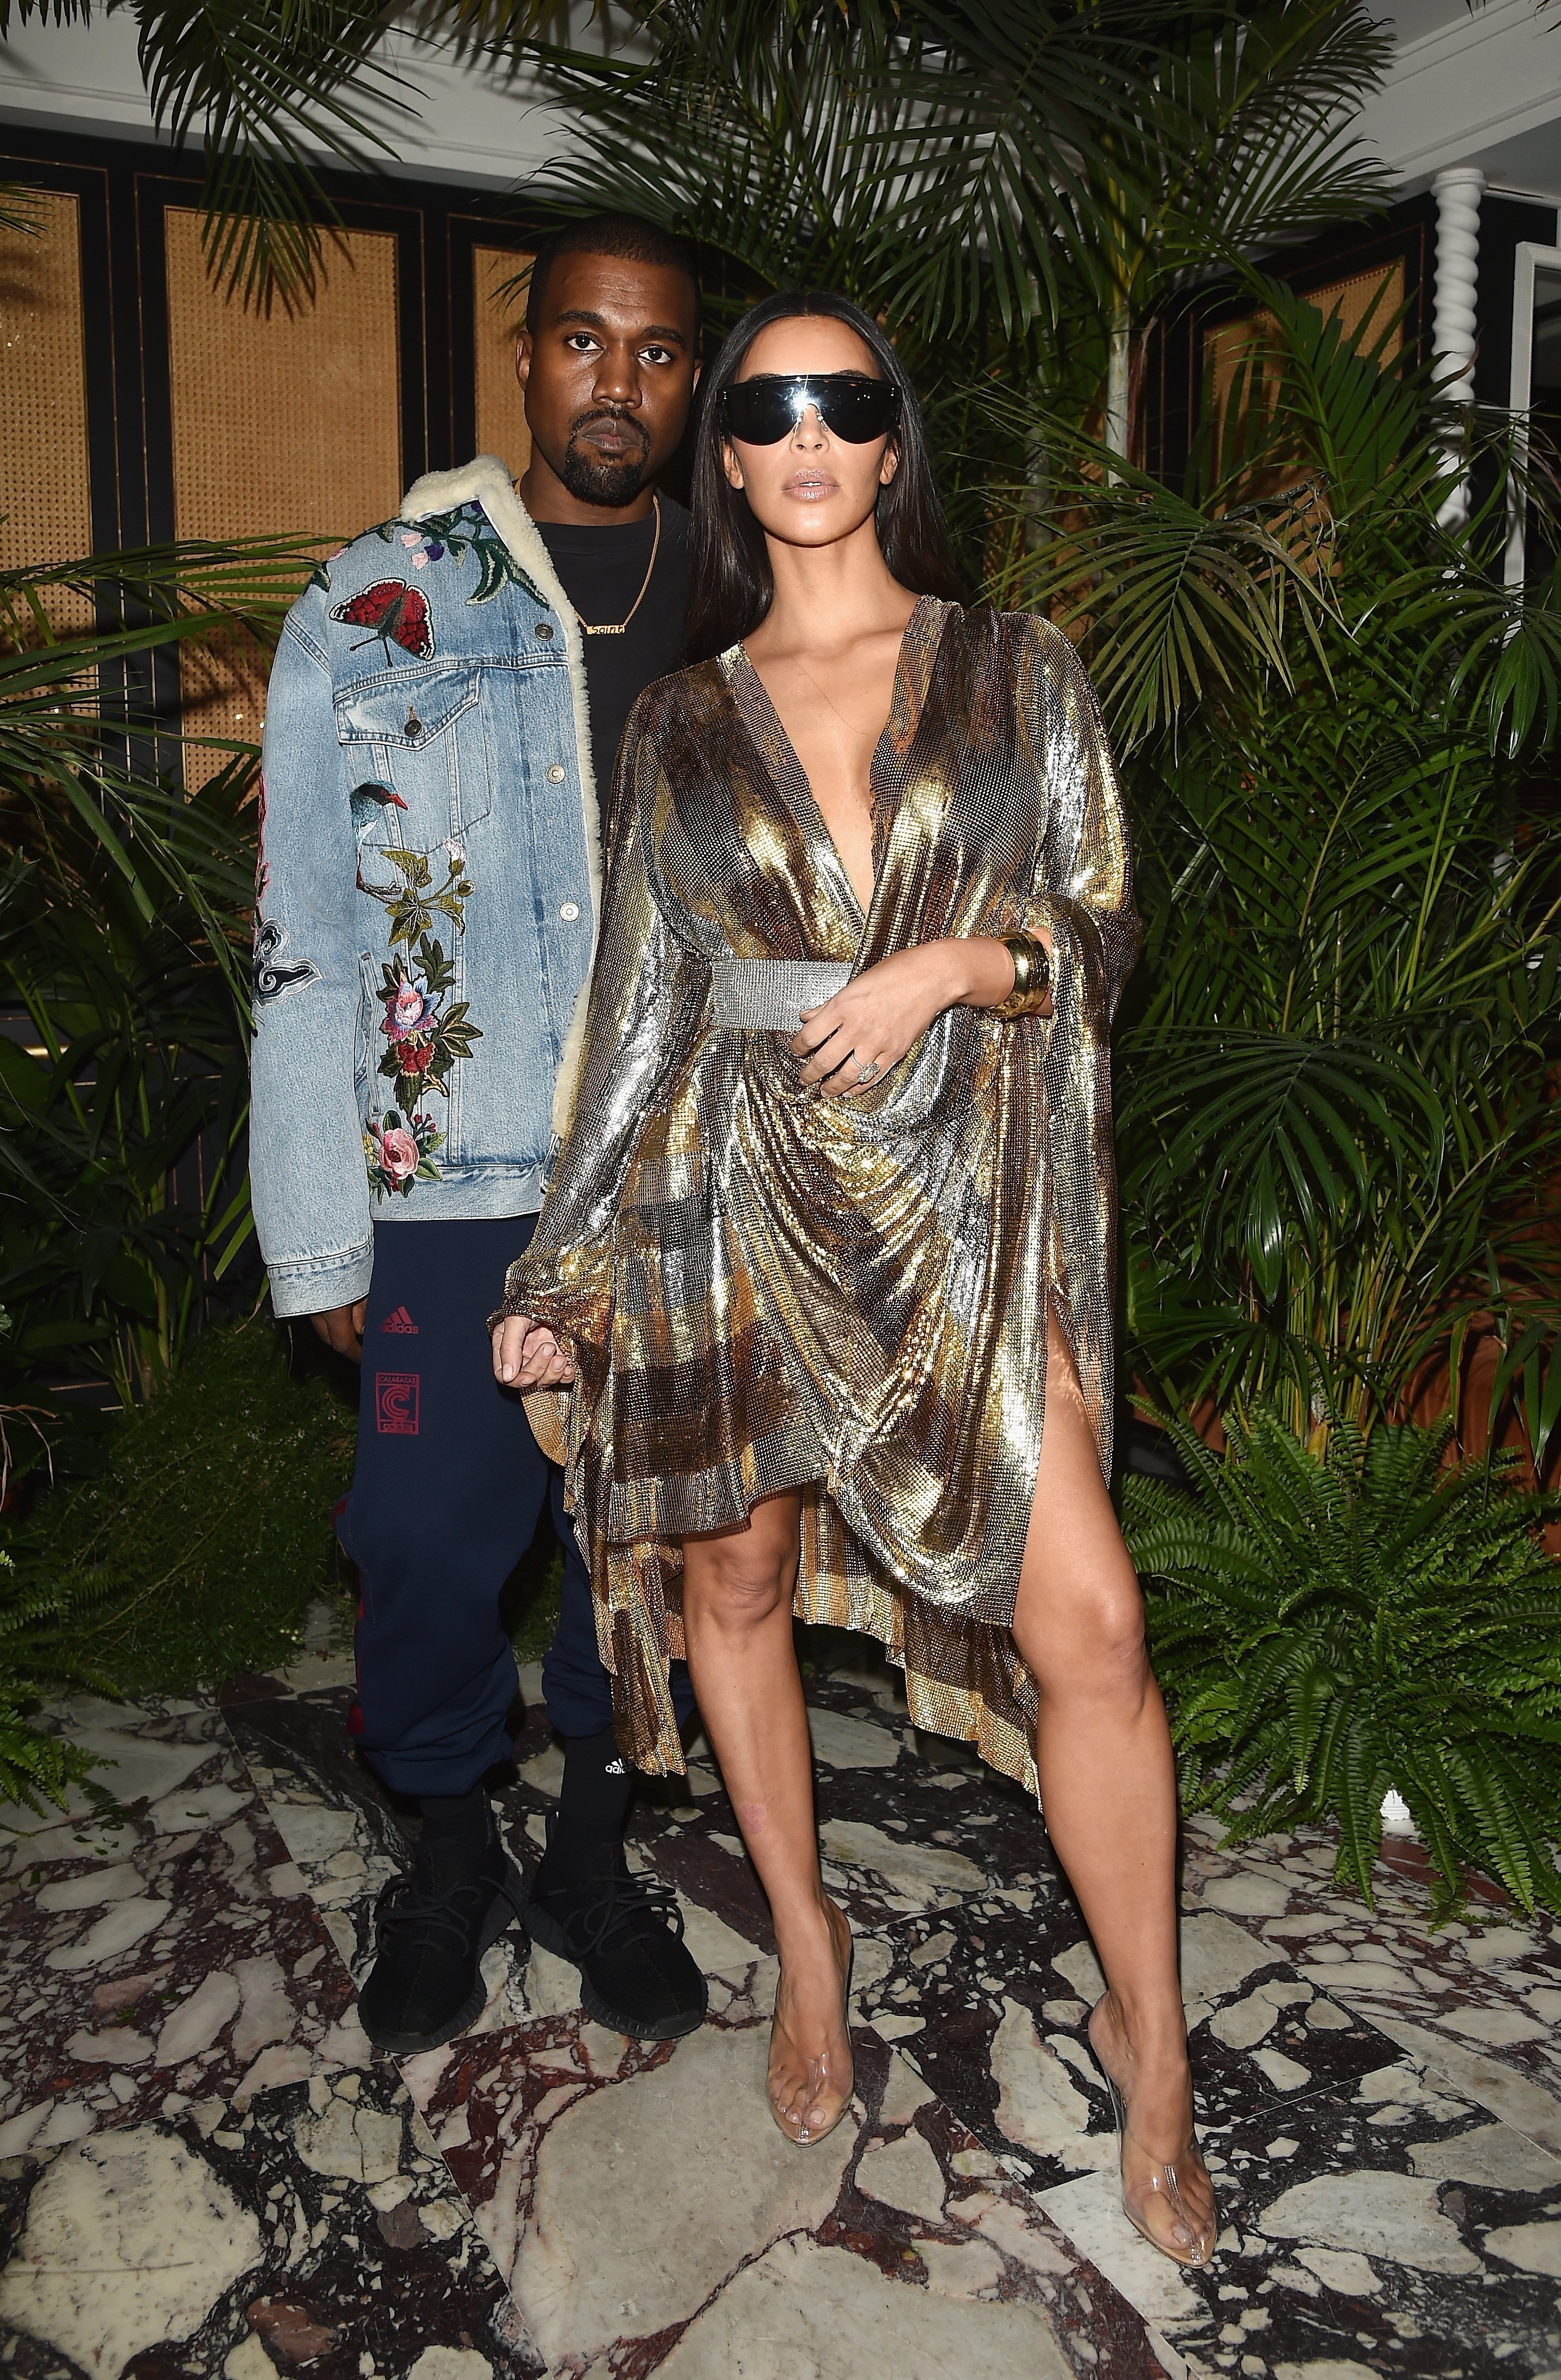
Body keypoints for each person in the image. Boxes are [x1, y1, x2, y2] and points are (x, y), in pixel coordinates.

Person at [491, 287, 1218, 2269]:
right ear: (727, 454)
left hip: (969, 1205)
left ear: (894, 443)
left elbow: (1106, 929)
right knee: (732, 1579)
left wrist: (965, 965)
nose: (807, 433)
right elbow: (640, 1012)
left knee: (1095, 1623)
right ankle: (807, 1949)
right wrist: (567, 1264)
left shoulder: (1018, 669)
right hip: (737, 1192)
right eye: (765, 405)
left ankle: (1153, 2043)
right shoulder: (677, 716)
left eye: (848, 401)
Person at [250, 216, 709, 2056]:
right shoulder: (381, 596)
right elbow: (302, 929)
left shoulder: (755, 591)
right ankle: (448, 1838)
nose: (621, 381)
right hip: (446, 1171)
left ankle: (595, 1849)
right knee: (427, 1540)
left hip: (686, 1174)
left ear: (695, 380)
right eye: (585, 343)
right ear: (524, 361)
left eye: (661, 351)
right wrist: (318, 1229)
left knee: (651, 1546)